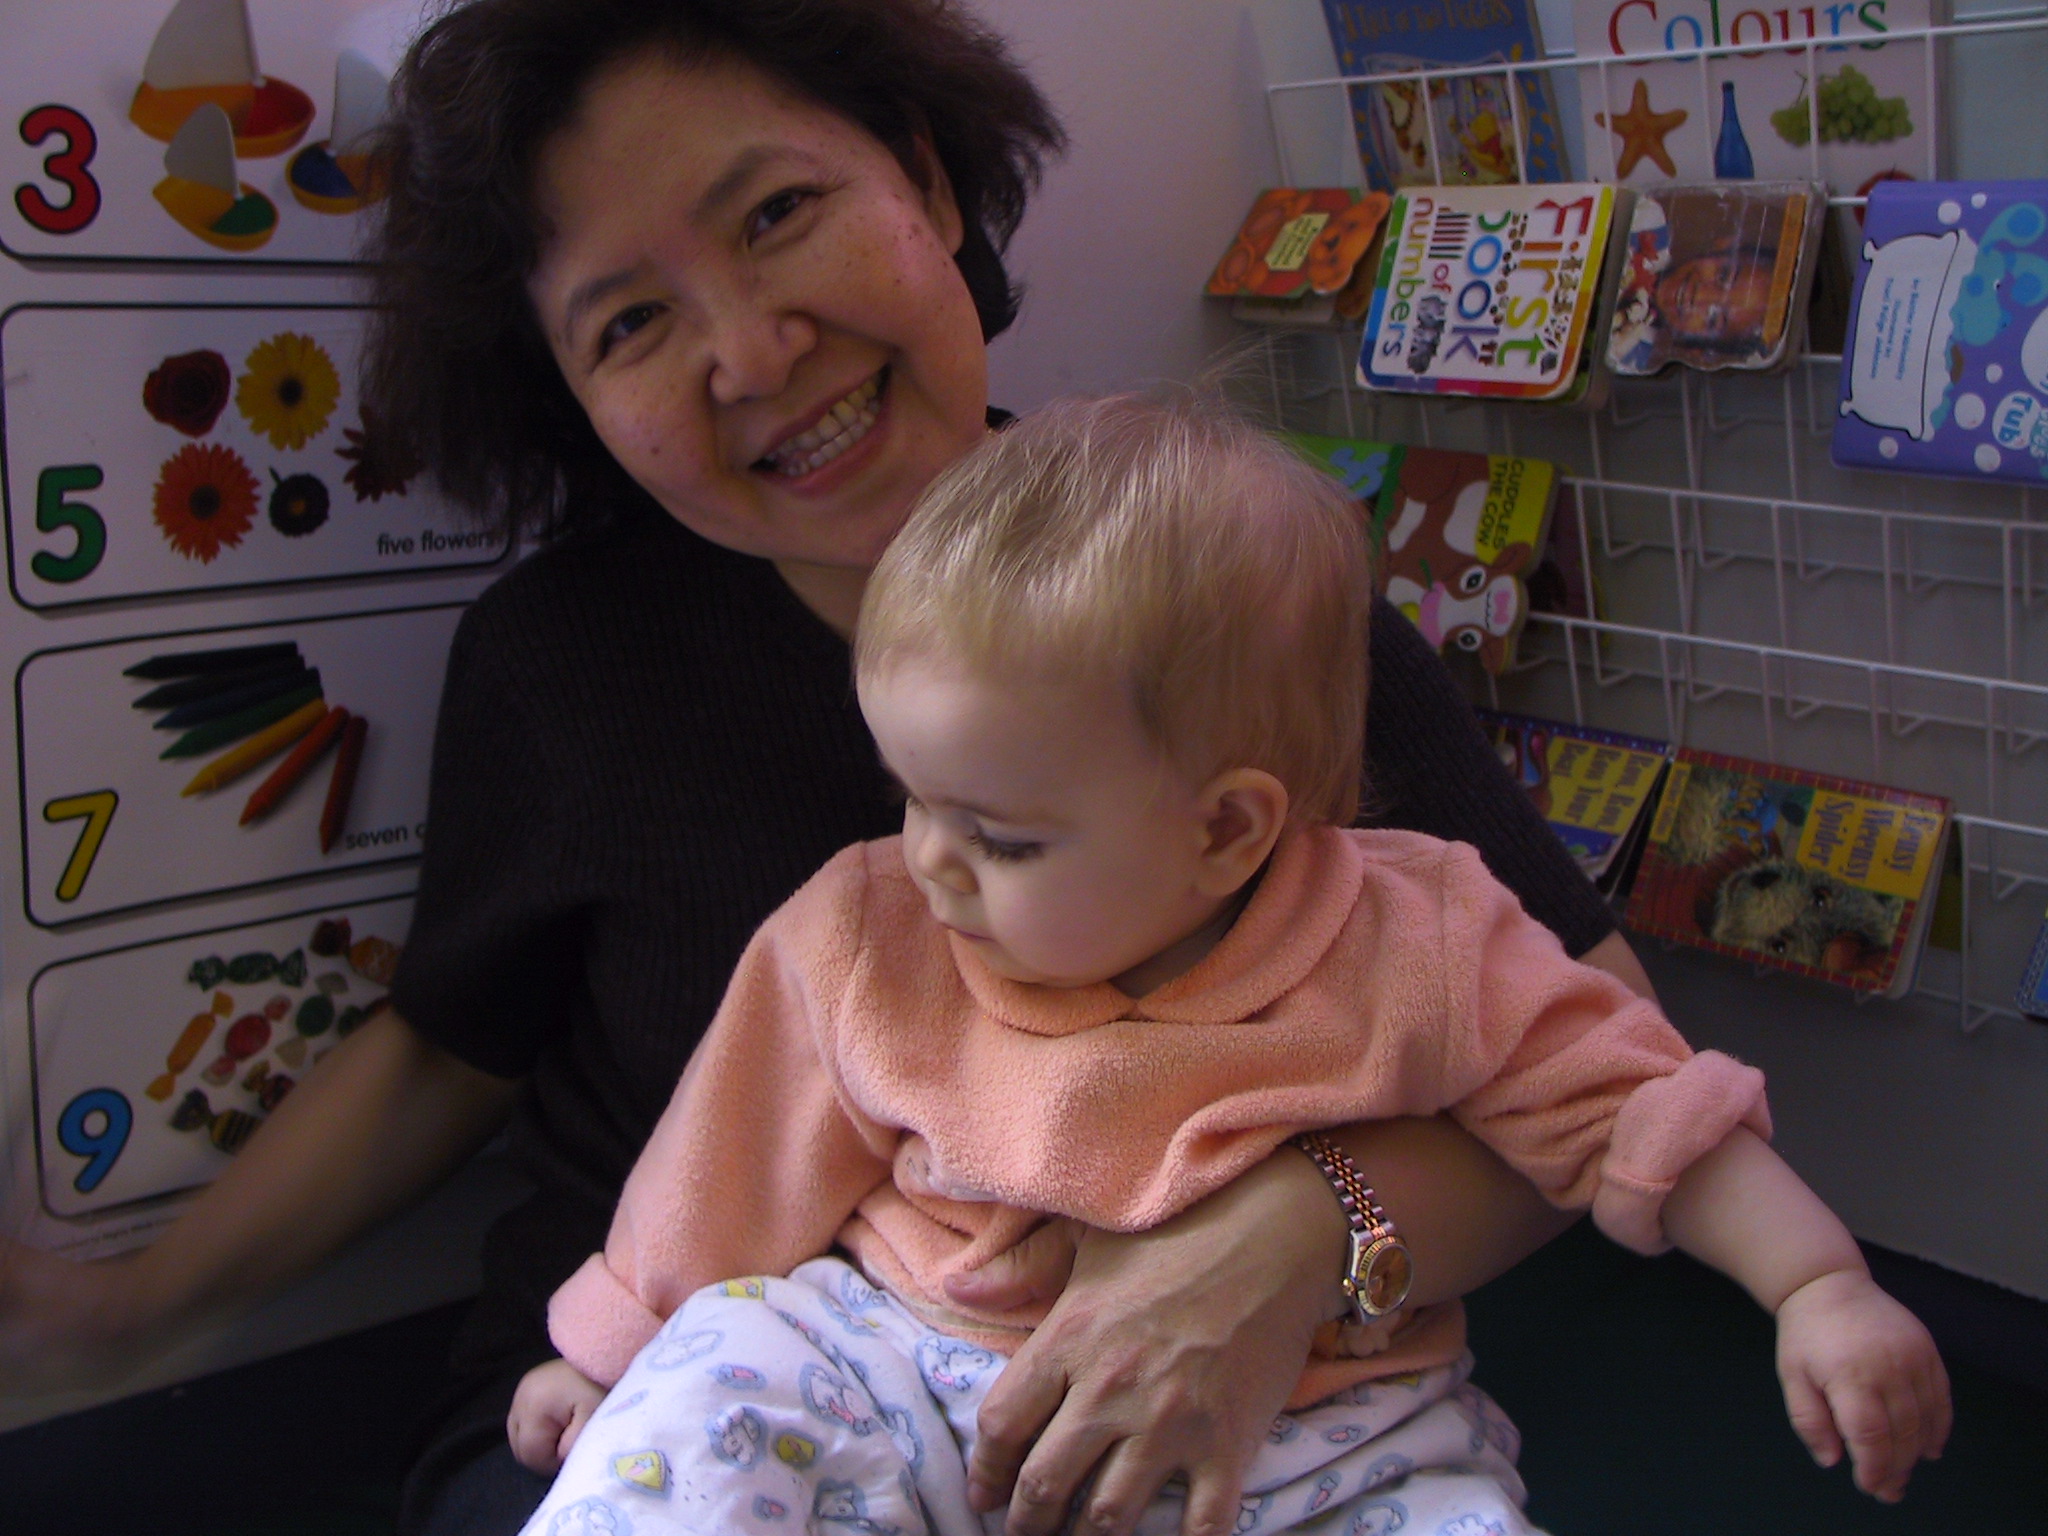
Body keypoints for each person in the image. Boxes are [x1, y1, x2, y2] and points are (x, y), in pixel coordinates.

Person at [0, 2, 1697, 1531]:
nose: (751, 352)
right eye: (629, 322)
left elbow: (1589, 1048)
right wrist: (130, 1310)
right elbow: (450, 1049)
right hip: (655, 1413)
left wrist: (1293, 1240)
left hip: (1199, 1430)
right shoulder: (560, 662)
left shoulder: (1230, 598)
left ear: (928, 184)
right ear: (570, 397)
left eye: (776, 214)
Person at [502, 393, 1948, 1536]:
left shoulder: (1421, 935)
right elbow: (731, 1155)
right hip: (899, 1363)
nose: (927, 858)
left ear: (1227, 830)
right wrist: (611, 1346)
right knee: (724, 1386)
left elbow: (1637, 1102)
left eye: (998, 835)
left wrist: (1815, 1283)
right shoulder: (867, 929)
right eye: (908, 793)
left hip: (1307, 1429)